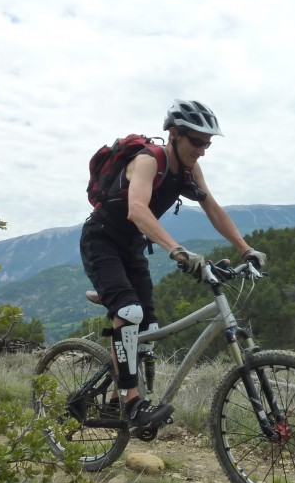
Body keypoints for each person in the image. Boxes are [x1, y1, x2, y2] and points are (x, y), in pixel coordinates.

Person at [79, 99, 267, 428]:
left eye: (207, 143)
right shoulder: (148, 160)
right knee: (128, 313)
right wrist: (177, 250)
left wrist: (245, 249)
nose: (203, 150)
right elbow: (136, 209)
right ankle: (133, 403)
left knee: (148, 331)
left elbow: (213, 209)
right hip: (102, 239)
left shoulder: (190, 169)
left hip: (133, 247)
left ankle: (114, 403)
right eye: (197, 141)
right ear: (175, 134)